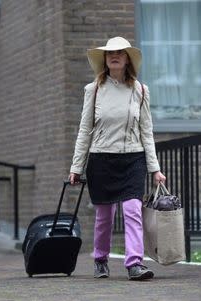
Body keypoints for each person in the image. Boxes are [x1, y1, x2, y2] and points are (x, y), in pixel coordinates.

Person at [69, 36, 166, 281]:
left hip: (133, 158)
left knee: (132, 210)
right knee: (104, 216)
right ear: (105, 59)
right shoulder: (93, 90)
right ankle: (101, 260)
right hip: (101, 159)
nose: (114, 56)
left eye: (120, 53)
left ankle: (134, 263)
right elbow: (84, 130)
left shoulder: (141, 91)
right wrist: (76, 167)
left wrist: (155, 169)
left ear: (127, 60)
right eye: (110, 53)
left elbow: (146, 130)